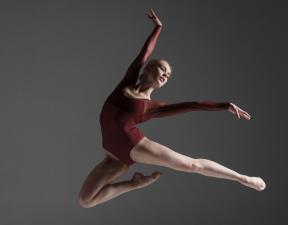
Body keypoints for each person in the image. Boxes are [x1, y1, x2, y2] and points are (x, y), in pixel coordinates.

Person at [78, 8, 266, 208]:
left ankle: (242, 178)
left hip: (134, 146)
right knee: (85, 200)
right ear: (149, 67)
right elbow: (146, 51)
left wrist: (225, 105)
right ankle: (135, 183)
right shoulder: (128, 81)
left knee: (190, 164)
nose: (166, 75)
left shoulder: (152, 107)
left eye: (168, 76)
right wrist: (158, 28)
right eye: (163, 69)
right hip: (113, 155)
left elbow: (192, 105)